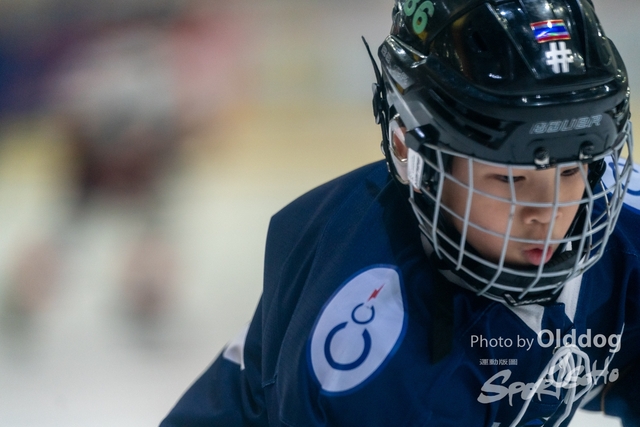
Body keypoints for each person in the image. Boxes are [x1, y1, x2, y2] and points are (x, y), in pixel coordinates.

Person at [160, 0, 640, 425]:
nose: (549, 212)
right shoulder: (373, 340)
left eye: (571, 169)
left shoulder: (624, 231)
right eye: (510, 179)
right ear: (411, 152)